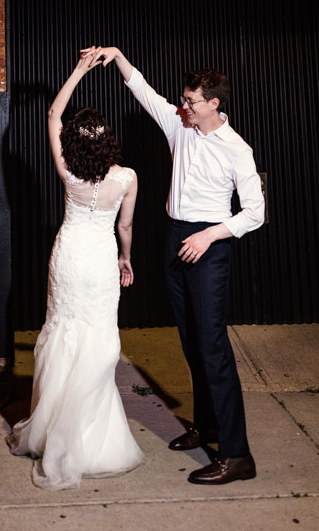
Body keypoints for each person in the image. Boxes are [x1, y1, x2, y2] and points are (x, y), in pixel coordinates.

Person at [87, 45, 265, 486]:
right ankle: (206, 428)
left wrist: (209, 235)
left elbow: (255, 212)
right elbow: (142, 89)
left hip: (209, 245)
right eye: (183, 100)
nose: (183, 106)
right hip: (174, 239)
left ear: (213, 104)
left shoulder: (236, 149)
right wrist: (118, 56)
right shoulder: (179, 125)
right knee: (190, 342)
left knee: (213, 348)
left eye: (190, 101)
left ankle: (237, 455)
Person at [6, 50, 144, 490]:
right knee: (99, 340)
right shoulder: (126, 178)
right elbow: (125, 226)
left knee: (63, 334)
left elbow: (52, 113)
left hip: (67, 258)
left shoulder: (68, 174)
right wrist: (126, 257)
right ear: (107, 142)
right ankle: (91, 437)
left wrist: (79, 71)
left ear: (76, 143)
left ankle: (51, 432)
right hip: (101, 260)